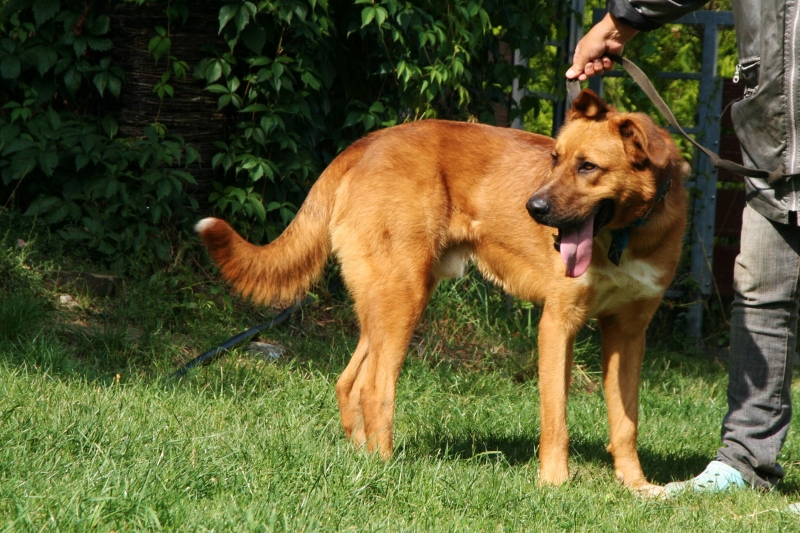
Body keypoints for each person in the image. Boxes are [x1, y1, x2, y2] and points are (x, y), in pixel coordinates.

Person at [568, 0, 800, 495]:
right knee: (759, 293)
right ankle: (745, 462)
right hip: (774, 143)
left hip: (776, 136)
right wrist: (619, 21)